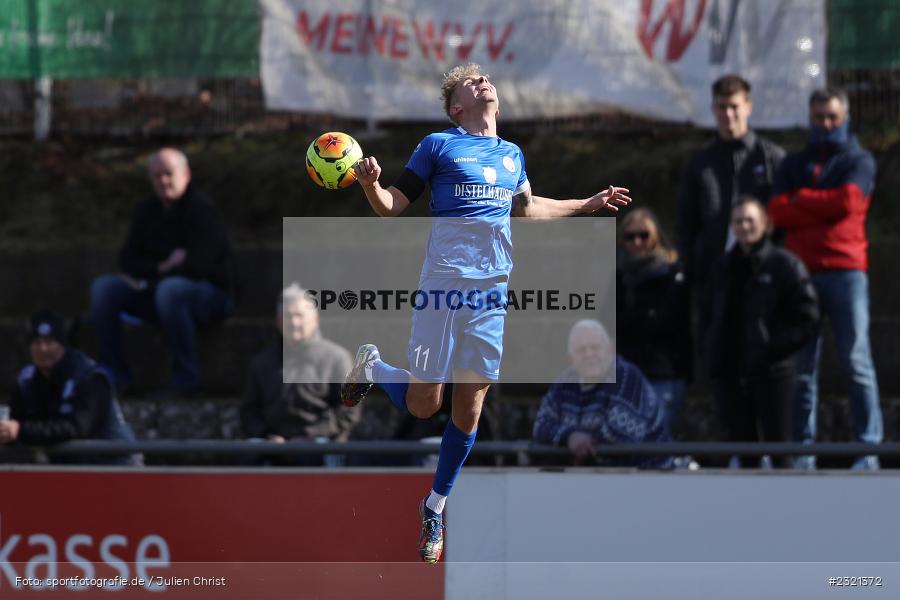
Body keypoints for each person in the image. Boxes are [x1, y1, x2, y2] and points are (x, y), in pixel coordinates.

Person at [339, 63, 631, 564]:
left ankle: (435, 506)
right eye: (471, 83)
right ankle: (374, 368)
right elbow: (392, 205)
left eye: (485, 79)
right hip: (443, 285)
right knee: (422, 406)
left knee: (468, 410)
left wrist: (587, 204)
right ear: (457, 107)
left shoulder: (512, 153)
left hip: (491, 292)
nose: (484, 82)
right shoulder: (437, 145)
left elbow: (527, 210)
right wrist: (369, 184)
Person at [768, 88, 883, 470]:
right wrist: (818, 206)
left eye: (832, 117)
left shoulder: (859, 159)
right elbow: (777, 212)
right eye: (819, 117)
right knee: (803, 368)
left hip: (847, 273)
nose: (826, 124)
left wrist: (803, 200)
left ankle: (867, 450)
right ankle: (803, 453)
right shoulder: (795, 162)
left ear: (845, 117)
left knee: (856, 361)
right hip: (803, 277)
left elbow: (848, 203)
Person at [89, 148, 235, 397]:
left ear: (186, 174)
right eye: (157, 176)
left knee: (171, 290)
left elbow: (201, 266)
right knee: (105, 289)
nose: (163, 181)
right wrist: (161, 268)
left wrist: (152, 279)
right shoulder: (146, 211)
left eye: (168, 174)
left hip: (210, 296)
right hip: (155, 291)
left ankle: (186, 379)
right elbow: (127, 260)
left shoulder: (203, 211)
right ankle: (115, 376)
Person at [707, 198, 819, 468]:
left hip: (773, 373)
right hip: (732, 373)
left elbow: (808, 318)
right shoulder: (724, 267)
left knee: (779, 451)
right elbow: (711, 314)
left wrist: (773, 349)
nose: (744, 227)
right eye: (738, 221)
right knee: (744, 453)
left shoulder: (785, 265)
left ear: (765, 224)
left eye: (750, 220)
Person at [677, 74, 785, 320]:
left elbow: (785, 217)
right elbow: (686, 222)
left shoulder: (771, 158)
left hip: (762, 274)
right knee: (714, 351)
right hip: (712, 275)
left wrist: (776, 263)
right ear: (713, 109)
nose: (728, 115)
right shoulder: (701, 163)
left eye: (734, 107)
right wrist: (689, 267)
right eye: (722, 107)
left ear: (748, 107)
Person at [0, 310, 142, 466]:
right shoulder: (27, 381)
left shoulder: (90, 376)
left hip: (114, 466)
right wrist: (7, 432)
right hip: (69, 468)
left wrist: (21, 431)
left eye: (50, 341)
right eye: (37, 342)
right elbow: (16, 423)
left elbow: (78, 428)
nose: (43, 349)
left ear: (63, 345)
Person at [240, 284, 359, 465]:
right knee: (249, 454)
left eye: (300, 316)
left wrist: (310, 436)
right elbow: (249, 412)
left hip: (320, 443)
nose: (294, 322)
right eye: (288, 316)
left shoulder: (337, 358)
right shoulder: (261, 363)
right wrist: (268, 436)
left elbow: (348, 412)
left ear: (315, 319)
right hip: (271, 444)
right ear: (278, 321)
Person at [533, 320, 672, 469]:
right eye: (581, 350)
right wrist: (570, 436)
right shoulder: (563, 383)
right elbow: (540, 426)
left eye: (595, 348)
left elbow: (620, 438)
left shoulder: (626, 376)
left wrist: (579, 447)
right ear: (570, 359)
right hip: (593, 478)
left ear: (610, 350)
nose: (589, 354)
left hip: (649, 479)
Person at [616, 208, 691, 434]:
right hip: (627, 369)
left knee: (656, 437)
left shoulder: (672, 274)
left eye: (644, 235)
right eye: (630, 236)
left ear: (655, 237)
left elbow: (669, 322)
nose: (637, 242)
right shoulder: (619, 275)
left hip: (663, 371)